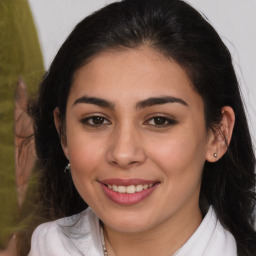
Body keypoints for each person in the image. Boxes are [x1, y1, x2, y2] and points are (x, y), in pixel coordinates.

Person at [28, 0, 256, 255]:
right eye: (96, 120)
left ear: (218, 135)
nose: (123, 154)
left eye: (159, 120)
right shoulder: (44, 246)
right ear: (64, 133)